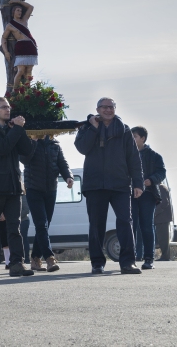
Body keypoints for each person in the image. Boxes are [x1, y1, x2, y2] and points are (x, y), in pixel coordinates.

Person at [75, 97, 144, 275]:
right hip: (95, 184)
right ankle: (97, 263)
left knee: (125, 222)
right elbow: (82, 148)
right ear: (97, 109)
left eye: (111, 107)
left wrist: (138, 183)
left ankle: (128, 262)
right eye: (104, 107)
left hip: (120, 184)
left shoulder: (124, 130)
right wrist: (94, 129)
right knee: (96, 225)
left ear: (115, 108)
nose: (107, 110)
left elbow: (134, 159)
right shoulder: (86, 127)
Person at [0, 97, 34, 277]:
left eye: (8, 107)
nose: (8, 110)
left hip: (13, 186)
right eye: (3, 107)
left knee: (14, 227)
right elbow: (2, 147)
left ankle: (17, 263)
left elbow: (26, 151)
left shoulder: (13, 129)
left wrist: (19, 130)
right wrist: (16, 129)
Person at [22, 135, 74, 272]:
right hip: (33, 188)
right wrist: (33, 142)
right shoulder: (29, 142)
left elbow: (62, 163)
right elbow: (24, 159)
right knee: (41, 224)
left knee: (45, 225)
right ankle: (49, 258)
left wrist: (68, 176)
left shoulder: (55, 145)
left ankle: (35, 258)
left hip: (51, 189)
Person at [130, 126, 166, 270]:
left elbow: (162, 172)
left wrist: (151, 180)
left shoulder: (154, 156)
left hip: (148, 194)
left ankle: (149, 259)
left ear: (143, 138)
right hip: (130, 194)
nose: (132, 140)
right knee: (130, 226)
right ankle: (130, 258)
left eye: (135, 137)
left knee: (146, 226)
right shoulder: (127, 155)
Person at [0, 0, 37, 89]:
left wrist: (17, 1)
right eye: (17, 10)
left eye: (20, 11)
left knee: (29, 72)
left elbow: (31, 7)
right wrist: (6, 52)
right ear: (13, 12)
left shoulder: (24, 20)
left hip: (31, 46)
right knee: (20, 71)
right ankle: (15, 91)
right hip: (21, 47)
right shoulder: (10, 25)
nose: (20, 12)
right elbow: (3, 38)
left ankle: (27, 91)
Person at [154, 183, 173, 261]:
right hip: (162, 218)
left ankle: (165, 256)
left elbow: (164, 202)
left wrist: (154, 212)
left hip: (162, 218)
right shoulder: (162, 187)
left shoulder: (161, 187)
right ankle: (165, 256)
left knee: (163, 238)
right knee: (163, 238)